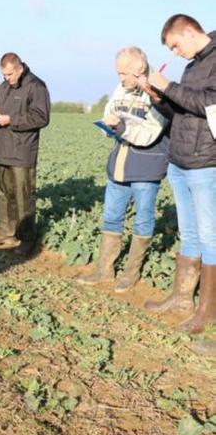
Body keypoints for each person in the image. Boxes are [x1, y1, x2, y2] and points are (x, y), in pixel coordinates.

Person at [139, 14, 216, 334]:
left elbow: (210, 103)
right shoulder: (192, 65)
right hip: (181, 161)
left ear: (188, 31)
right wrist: (160, 97)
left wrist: (167, 85)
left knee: (211, 236)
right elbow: (182, 111)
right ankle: (182, 297)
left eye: (175, 45)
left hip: (205, 162)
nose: (175, 52)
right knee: (190, 234)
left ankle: (207, 312)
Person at [76, 47, 170, 292]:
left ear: (139, 70)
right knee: (111, 216)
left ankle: (130, 273)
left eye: (124, 73)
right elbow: (110, 110)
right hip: (120, 163)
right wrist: (109, 123)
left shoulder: (158, 91)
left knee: (143, 219)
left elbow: (150, 133)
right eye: (118, 73)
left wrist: (122, 128)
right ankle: (104, 269)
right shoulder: (121, 89)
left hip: (147, 165)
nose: (120, 78)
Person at [0, 53, 51, 256]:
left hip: (22, 150)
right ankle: (5, 232)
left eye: (10, 74)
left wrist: (11, 120)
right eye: (4, 74)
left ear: (20, 68)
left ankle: (27, 239)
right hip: (2, 147)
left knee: (23, 196)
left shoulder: (36, 86)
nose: (7, 78)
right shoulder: (4, 87)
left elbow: (41, 117)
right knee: (3, 193)